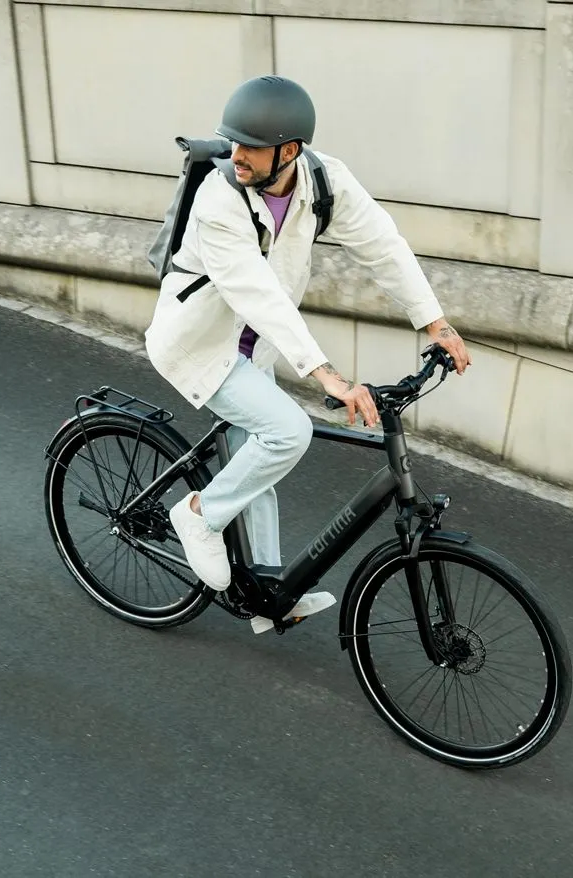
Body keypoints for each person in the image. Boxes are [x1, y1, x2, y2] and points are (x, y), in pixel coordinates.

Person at [144, 75, 471, 633]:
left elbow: (382, 246)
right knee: (286, 433)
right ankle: (198, 516)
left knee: (261, 461)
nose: (236, 154)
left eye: (250, 145)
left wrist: (435, 322)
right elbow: (258, 293)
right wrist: (329, 377)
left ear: (289, 151)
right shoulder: (217, 197)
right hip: (201, 345)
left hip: (256, 344)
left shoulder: (324, 181)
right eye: (232, 142)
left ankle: (267, 591)